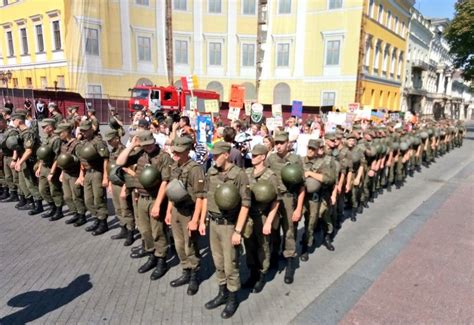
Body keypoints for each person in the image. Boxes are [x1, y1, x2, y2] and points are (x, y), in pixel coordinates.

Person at [201, 141, 251, 319]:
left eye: (216, 155)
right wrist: (202, 220)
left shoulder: (239, 175)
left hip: (230, 226)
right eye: (212, 155)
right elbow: (206, 197)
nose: (213, 158)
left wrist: (238, 231)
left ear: (226, 155)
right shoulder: (212, 171)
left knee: (231, 264)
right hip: (213, 224)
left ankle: (232, 298)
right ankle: (222, 293)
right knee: (218, 262)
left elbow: (246, 204)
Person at [116, 130, 172, 280]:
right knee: (145, 230)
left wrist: (158, 205)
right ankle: (151, 255)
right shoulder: (140, 153)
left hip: (155, 199)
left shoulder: (164, 157)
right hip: (141, 198)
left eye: (149, 144)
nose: (147, 147)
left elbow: (165, 182)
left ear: (154, 141)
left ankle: (161, 260)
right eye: (144, 145)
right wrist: (132, 146)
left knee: (157, 231)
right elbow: (120, 162)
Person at [165, 136, 206, 296]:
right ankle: (186, 270)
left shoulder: (196, 169)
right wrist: (169, 211)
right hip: (176, 209)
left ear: (188, 151)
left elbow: (201, 196)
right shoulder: (174, 166)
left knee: (190, 245)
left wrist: (195, 220)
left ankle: (195, 275)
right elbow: (171, 191)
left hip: (189, 211)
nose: (175, 153)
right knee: (179, 244)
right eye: (174, 150)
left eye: (179, 151)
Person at [265, 131, 305, 284]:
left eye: (282, 143)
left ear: (288, 143)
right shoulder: (271, 158)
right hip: (274, 199)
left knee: (289, 231)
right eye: (276, 143)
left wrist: (298, 208)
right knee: (273, 230)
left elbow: (302, 186)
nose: (279, 146)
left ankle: (289, 262)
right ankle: (274, 258)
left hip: (289, 199)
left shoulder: (296, 159)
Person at [244, 144, 280, 293]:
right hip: (248, 217)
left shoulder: (270, 176)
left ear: (263, 157)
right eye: (251, 155)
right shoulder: (247, 172)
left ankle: (261, 275)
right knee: (249, 246)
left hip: (262, 216)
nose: (252, 158)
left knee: (263, 247)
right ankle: (252, 274)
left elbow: (276, 201)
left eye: (255, 155)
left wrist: (269, 222)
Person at [301, 139, 337, 260]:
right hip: (303, 197)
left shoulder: (323, 163)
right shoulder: (301, 161)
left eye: (313, 149)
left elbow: (329, 179)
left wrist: (310, 174)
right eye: (309, 148)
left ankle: (322, 239)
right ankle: (303, 245)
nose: (310, 151)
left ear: (317, 150)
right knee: (302, 222)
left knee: (318, 220)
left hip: (318, 197)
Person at [76, 119, 110, 236]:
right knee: (88, 200)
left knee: (99, 198)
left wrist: (106, 176)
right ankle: (97, 218)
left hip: (97, 173)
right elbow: (82, 159)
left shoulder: (98, 142)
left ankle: (103, 222)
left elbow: (106, 158)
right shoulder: (84, 142)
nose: (84, 133)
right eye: (82, 131)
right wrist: (81, 175)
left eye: (85, 130)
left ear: (91, 129)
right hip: (87, 173)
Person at [52, 123, 87, 226]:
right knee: (67, 196)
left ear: (66, 132)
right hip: (66, 173)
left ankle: (81, 215)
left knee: (76, 196)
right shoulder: (64, 144)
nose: (59, 135)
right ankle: (74, 212)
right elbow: (63, 161)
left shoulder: (77, 145)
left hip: (75, 174)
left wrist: (81, 176)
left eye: (60, 133)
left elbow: (82, 162)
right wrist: (62, 173)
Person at [105, 129, 135, 246]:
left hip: (123, 184)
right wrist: (110, 183)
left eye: (110, 140)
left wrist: (125, 187)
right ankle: (123, 228)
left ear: (117, 139)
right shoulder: (113, 151)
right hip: (115, 183)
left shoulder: (124, 151)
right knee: (117, 208)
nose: (109, 143)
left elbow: (128, 170)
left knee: (125, 208)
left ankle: (130, 232)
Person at [11, 112, 42, 214]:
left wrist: (20, 162)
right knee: (23, 183)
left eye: (13, 120)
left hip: (29, 161)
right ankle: (30, 202)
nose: (12, 122)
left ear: (19, 120)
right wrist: (17, 160)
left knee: (31, 183)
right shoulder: (21, 132)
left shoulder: (28, 133)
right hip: (23, 160)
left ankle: (39, 205)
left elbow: (29, 151)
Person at [37, 118, 64, 220]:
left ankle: (58, 210)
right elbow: (41, 155)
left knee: (54, 190)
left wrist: (52, 172)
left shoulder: (56, 139)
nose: (43, 128)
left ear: (50, 127)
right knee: (42, 189)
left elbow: (57, 157)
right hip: (44, 166)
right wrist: (39, 167)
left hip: (52, 168)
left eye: (44, 127)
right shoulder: (47, 138)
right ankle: (52, 207)